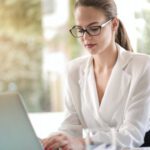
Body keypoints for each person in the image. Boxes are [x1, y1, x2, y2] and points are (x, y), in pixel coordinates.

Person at [42, 0, 150, 149]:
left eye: (94, 28)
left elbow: (133, 135)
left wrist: (85, 143)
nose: (85, 37)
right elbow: (70, 127)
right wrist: (53, 140)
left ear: (114, 25)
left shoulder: (143, 66)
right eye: (80, 29)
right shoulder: (73, 70)